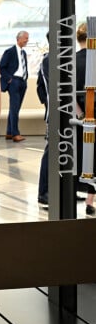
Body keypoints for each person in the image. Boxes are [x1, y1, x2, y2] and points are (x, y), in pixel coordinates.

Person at [75, 22, 95, 217]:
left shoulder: (71, 61)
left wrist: (80, 114)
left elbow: (68, 94)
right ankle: (90, 200)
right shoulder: (94, 60)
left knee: (83, 156)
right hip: (94, 114)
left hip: (80, 117)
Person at [0, 30, 30, 142]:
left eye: (28, 38)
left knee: (14, 108)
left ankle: (9, 132)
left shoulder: (24, 53)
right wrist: (10, 79)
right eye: (26, 38)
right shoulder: (10, 52)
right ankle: (15, 134)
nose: (27, 40)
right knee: (15, 108)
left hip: (22, 82)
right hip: (14, 82)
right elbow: (1, 67)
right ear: (19, 39)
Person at [37, 33, 49, 209]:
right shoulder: (49, 59)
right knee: (51, 151)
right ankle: (44, 192)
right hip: (55, 114)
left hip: (61, 113)